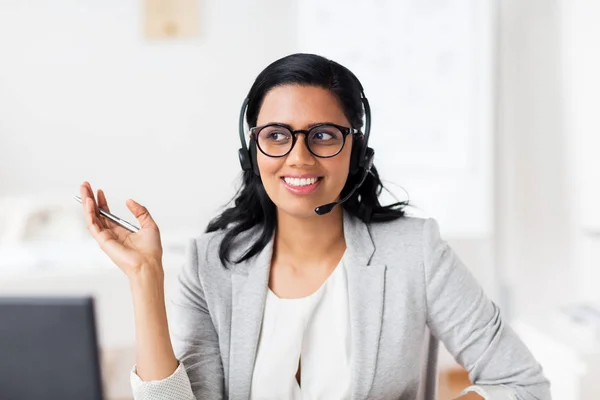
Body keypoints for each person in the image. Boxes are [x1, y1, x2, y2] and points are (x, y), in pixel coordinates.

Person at [79, 53, 550, 400]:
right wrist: (145, 278)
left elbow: (523, 384)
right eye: (277, 136)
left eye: (323, 135)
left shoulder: (414, 251)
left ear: (356, 152)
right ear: (252, 153)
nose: (299, 157)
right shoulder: (210, 263)